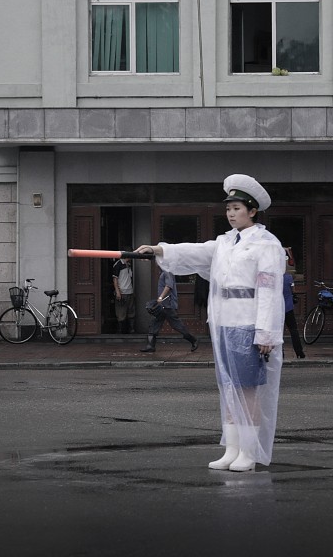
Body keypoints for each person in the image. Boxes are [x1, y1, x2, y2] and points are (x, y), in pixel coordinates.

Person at [134, 174, 285, 473]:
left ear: (252, 211)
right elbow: (194, 250)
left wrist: (265, 332)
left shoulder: (267, 245)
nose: (230, 213)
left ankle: (249, 450)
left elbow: (269, 292)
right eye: (228, 208)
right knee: (229, 386)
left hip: (248, 323)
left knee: (248, 388)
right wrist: (158, 249)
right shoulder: (225, 243)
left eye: (237, 208)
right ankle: (231, 448)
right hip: (224, 322)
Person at [141, 267, 199, 353]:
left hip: (168, 304)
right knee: (155, 323)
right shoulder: (163, 272)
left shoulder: (167, 271)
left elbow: (168, 286)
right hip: (163, 305)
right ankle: (150, 345)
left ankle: (193, 340)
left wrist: (161, 297)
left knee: (176, 324)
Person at [282, 264, 305, 359]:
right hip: (288, 307)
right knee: (293, 330)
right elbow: (293, 290)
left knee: (279, 332)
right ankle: (299, 352)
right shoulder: (288, 277)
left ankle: (281, 353)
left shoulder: (273, 278)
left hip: (277, 308)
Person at [112, 255, 136, 333]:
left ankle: (131, 329)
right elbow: (115, 279)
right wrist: (118, 291)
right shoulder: (118, 264)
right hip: (122, 291)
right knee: (121, 311)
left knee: (131, 310)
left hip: (130, 291)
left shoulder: (128, 264)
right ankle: (121, 330)